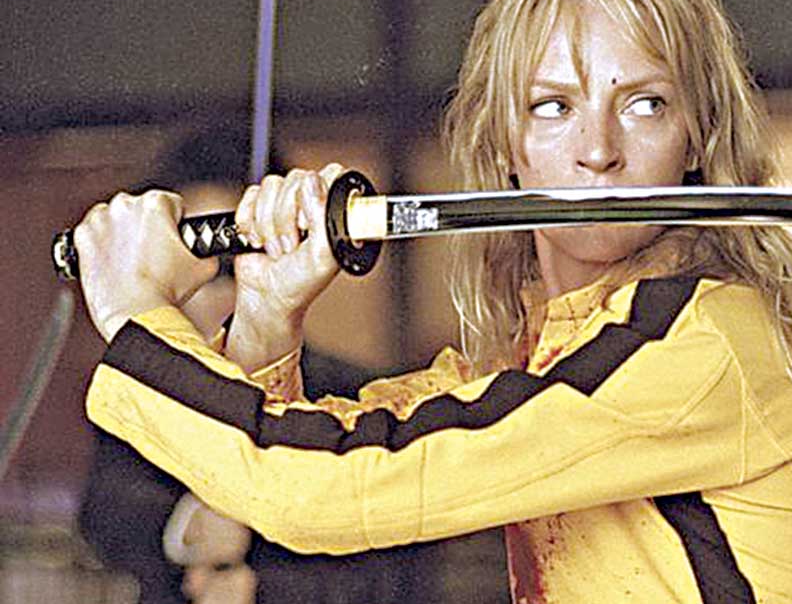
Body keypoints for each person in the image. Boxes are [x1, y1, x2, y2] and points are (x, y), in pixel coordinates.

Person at [72, 0, 792, 602]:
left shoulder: (700, 343)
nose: (598, 150)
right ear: (505, 147)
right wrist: (266, 321)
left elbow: (332, 494)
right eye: (553, 106)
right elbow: (316, 460)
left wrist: (135, 314)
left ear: (697, 133)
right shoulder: (534, 363)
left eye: (644, 103)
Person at [76, 124, 485, 603]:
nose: (225, 285)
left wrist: (264, 586)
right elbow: (107, 516)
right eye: (201, 264)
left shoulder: (354, 392)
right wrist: (189, 522)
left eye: (238, 261)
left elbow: (400, 567)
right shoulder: (145, 395)